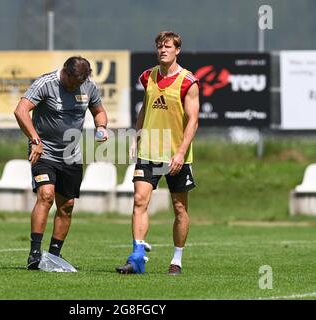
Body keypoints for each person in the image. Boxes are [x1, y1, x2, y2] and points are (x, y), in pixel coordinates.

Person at [116, 31, 200, 275]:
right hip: (150, 151)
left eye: (168, 46)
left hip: (177, 155)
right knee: (140, 200)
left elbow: (193, 121)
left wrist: (181, 152)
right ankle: (137, 257)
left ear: (177, 50)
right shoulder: (148, 76)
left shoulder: (188, 81)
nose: (163, 50)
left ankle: (177, 259)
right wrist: (136, 135)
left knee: (180, 208)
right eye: (160, 47)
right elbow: (145, 107)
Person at [14, 56, 108, 270]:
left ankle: (54, 255)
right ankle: (35, 253)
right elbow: (20, 111)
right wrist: (35, 140)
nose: (76, 86)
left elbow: (99, 111)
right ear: (65, 72)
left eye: (79, 83)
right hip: (43, 151)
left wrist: (101, 127)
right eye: (73, 82)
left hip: (71, 155)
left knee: (67, 206)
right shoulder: (45, 83)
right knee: (46, 195)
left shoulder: (88, 86)